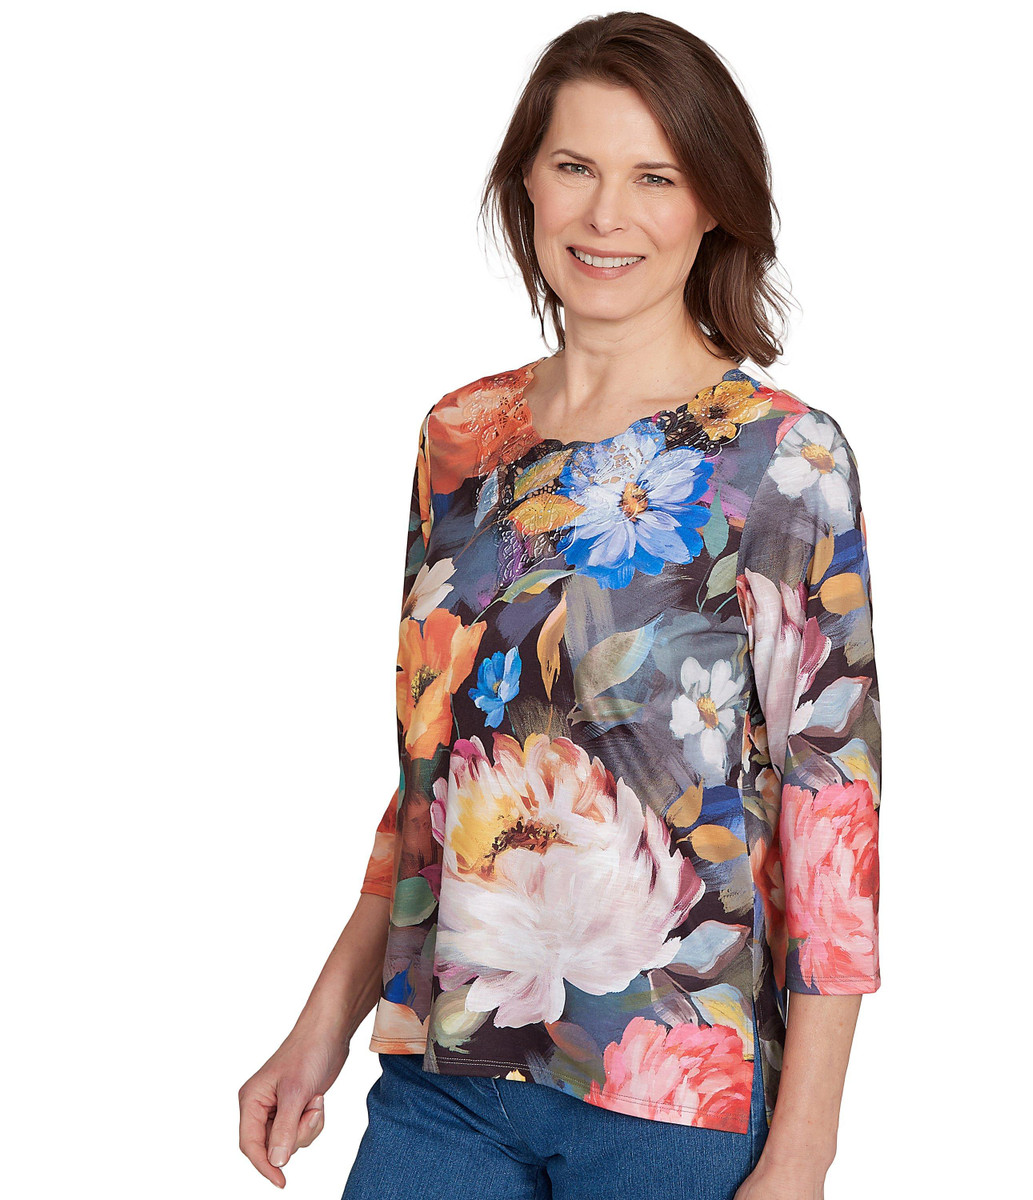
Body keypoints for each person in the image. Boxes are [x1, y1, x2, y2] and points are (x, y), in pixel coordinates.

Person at [238, 12, 882, 1199]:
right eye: (576, 166)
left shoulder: (782, 459)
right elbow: (434, 781)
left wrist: (805, 1150)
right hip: (444, 1073)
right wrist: (322, 1024)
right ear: (526, 181)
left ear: (714, 203)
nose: (605, 215)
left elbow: (830, 813)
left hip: (670, 1092)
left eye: (656, 177)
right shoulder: (459, 439)